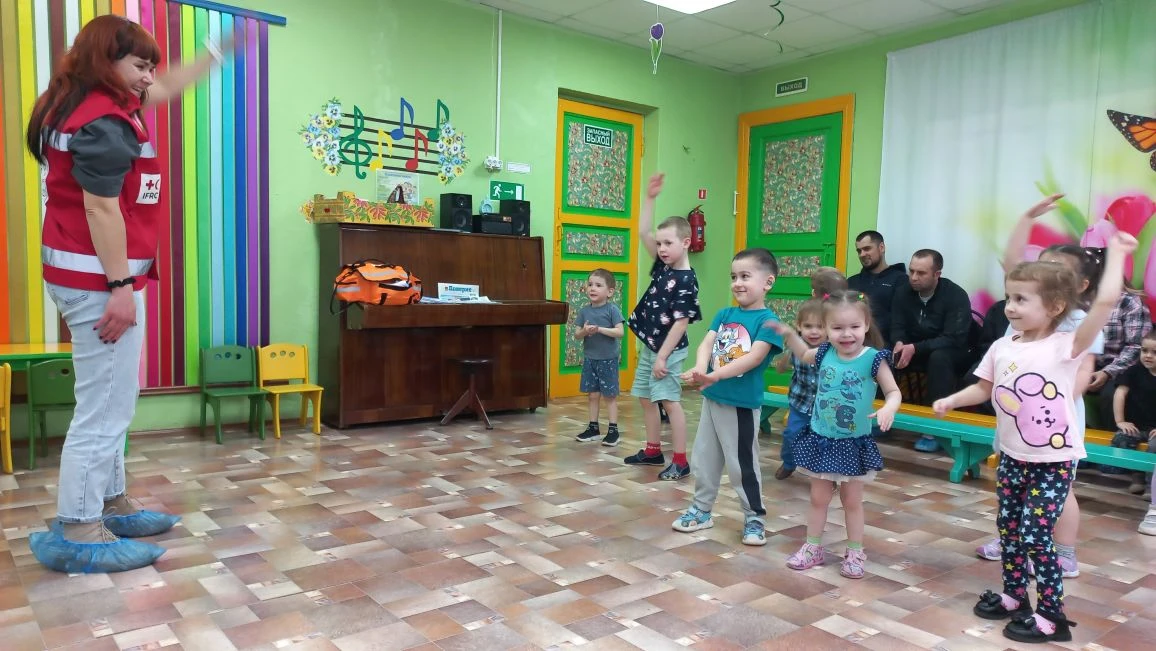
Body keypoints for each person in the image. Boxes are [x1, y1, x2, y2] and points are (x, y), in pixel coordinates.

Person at [25, 15, 228, 573]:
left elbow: (166, 87)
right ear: (105, 61)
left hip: (82, 273)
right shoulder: (102, 123)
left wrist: (214, 53)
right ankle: (79, 527)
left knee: (115, 398)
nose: (148, 78)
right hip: (98, 282)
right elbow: (100, 209)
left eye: (150, 67)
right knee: (105, 409)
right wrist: (119, 288)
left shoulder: (84, 98)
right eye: (140, 65)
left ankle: (110, 502)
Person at [933, 233, 1135, 643]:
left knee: (1036, 536)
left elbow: (1103, 304)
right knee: (1008, 528)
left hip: (1053, 462)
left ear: (1055, 307)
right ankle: (1014, 596)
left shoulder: (1068, 345)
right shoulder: (1003, 345)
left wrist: (1117, 256)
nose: (1010, 306)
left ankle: (1051, 615)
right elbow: (984, 388)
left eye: (1022, 300)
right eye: (1009, 297)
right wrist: (952, 399)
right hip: (1012, 455)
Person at [974, 195, 1106, 578]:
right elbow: (1014, 263)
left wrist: (1055, 404)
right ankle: (1012, 540)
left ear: (1078, 285)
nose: (1041, 275)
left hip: (1055, 419)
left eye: (1055, 270)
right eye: (1040, 266)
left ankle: (1064, 554)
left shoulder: (1078, 321)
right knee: (1013, 484)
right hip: (1016, 415)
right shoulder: (1024, 307)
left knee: (1060, 491)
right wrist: (1027, 218)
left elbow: (1083, 371)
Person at [771, 290, 902, 579]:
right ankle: (812, 547)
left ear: (866, 325)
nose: (846, 334)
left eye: (854, 326)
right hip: (821, 440)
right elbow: (802, 354)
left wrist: (888, 408)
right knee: (818, 499)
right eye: (837, 327)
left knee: (851, 502)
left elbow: (893, 391)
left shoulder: (873, 359)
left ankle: (855, 552)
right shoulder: (823, 353)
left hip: (852, 444)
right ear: (827, 328)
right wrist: (789, 334)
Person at [673, 248, 783, 546]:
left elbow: (753, 358)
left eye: (745, 276)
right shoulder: (725, 314)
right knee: (704, 459)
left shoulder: (769, 322)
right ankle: (701, 510)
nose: (737, 283)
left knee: (741, 465)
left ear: (768, 282)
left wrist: (716, 375)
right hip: (713, 399)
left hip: (741, 405)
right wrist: (700, 368)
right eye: (734, 277)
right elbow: (706, 345)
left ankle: (754, 517)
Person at [624, 173, 701, 481]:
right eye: (660, 244)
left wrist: (662, 357)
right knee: (646, 397)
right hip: (651, 345)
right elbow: (643, 230)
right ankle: (653, 450)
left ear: (686, 242)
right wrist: (650, 197)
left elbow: (681, 323)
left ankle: (681, 461)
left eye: (668, 243)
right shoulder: (663, 266)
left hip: (668, 351)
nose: (662, 248)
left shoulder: (686, 280)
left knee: (670, 402)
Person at [890, 249, 974, 452]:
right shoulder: (903, 292)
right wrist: (899, 343)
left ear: (937, 274)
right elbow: (896, 325)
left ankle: (935, 428)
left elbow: (954, 338)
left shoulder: (956, 295)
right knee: (883, 353)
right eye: (911, 271)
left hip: (954, 351)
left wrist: (915, 348)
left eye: (921, 273)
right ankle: (881, 413)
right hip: (915, 347)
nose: (914, 277)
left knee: (939, 358)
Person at [772, 299, 824, 480]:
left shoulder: (833, 350)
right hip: (800, 402)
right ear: (799, 326)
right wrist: (783, 362)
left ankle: (825, 475)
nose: (814, 331)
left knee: (824, 442)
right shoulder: (795, 346)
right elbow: (781, 367)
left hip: (825, 408)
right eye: (808, 326)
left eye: (820, 326)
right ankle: (788, 463)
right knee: (791, 435)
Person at [574, 269, 625, 446]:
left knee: (609, 396)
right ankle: (593, 428)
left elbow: (620, 332)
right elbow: (577, 335)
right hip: (590, 359)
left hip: (608, 360)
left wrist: (600, 329)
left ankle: (613, 430)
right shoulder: (584, 311)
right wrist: (584, 331)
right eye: (590, 284)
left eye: (598, 285)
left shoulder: (612, 310)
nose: (592, 288)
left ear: (609, 291)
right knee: (593, 395)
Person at [1111, 330, 1156, 494]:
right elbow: (1120, 393)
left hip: (1154, 430)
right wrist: (1120, 421)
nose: (1148, 356)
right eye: (1144, 350)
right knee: (1121, 438)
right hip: (1135, 426)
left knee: (1154, 447)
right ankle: (1137, 476)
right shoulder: (1134, 371)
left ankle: (1151, 486)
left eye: (1155, 352)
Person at [847, 231, 906, 344]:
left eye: (867, 249)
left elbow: (901, 319)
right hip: (853, 344)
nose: (862, 254)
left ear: (881, 247)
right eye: (859, 251)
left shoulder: (900, 280)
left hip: (885, 345)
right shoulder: (852, 282)